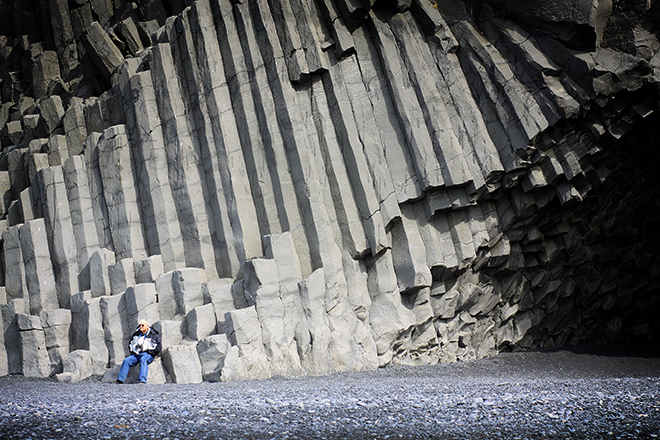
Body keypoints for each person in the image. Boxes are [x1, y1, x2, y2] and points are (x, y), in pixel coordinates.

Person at [116, 319, 161, 384]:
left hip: (147, 354)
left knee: (143, 360)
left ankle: (142, 380)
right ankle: (120, 380)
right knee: (126, 361)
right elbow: (130, 344)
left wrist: (149, 351)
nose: (141, 327)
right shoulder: (136, 334)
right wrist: (134, 351)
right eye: (140, 325)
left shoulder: (153, 335)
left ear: (147, 326)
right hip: (137, 354)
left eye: (142, 325)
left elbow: (158, 348)